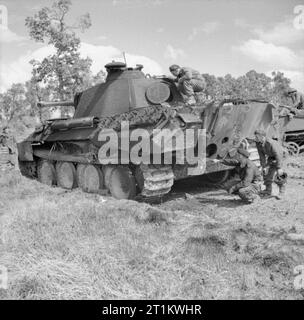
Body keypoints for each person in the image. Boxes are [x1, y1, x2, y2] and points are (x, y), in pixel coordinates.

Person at [254, 129, 285, 199]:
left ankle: (281, 192)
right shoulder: (258, 143)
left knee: (280, 175)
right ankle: (268, 190)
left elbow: (278, 154)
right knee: (266, 173)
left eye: (257, 137)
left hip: (281, 156)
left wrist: (279, 167)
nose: (255, 138)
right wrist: (263, 166)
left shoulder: (270, 143)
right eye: (255, 136)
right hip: (271, 157)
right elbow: (261, 155)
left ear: (262, 137)